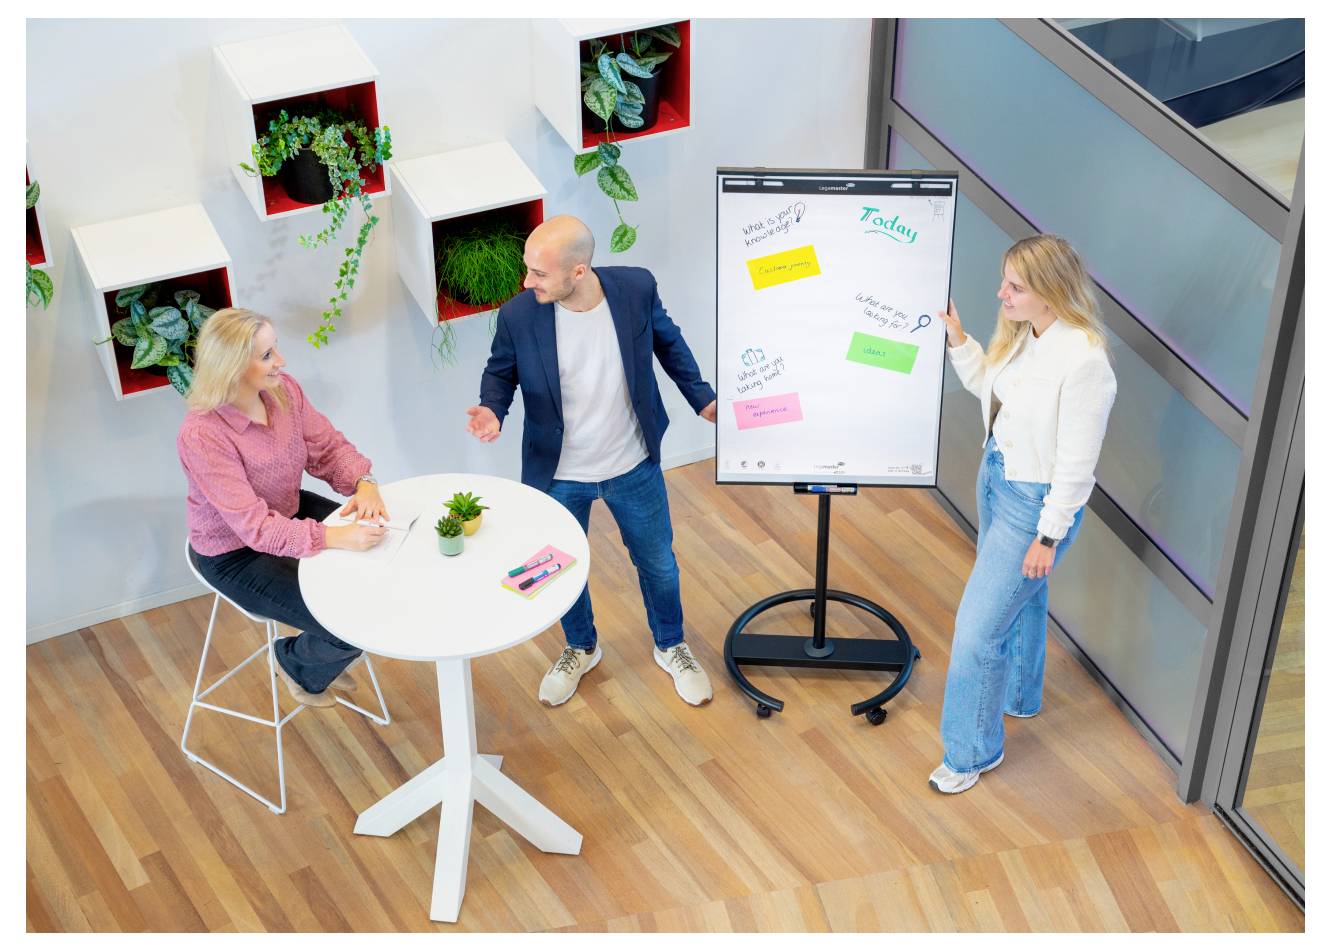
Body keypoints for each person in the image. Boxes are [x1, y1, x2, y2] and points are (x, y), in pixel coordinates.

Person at [465, 215, 719, 707]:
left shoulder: (636, 289)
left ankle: (671, 645)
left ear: (578, 271)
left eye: (539, 273)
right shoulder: (519, 315)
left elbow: (669, 344)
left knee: (659, 564)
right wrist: (492, 409)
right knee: (561, 569)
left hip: (633, 464)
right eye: (528, 269)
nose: (527, 282)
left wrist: (702, 398)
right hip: (559, 473)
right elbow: (500, 372)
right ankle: (581, 647)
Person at [932, 234, 1117, 794]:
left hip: (1034, 505)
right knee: (1024, 599)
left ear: (1050, 291)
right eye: (1004, 281)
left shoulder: (1084, 362)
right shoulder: (1024, 336)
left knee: (976, 631)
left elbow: (1077, 466)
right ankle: (1019, 697)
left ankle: (971, 753)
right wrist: (959, 340)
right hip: (997, 476)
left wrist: (1048, 536)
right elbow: (992, 391)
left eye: (1015, 286)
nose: (1001, 293)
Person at [178, 308, 389, 708]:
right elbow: (255, 528)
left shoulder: (283, 391)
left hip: (288, 512)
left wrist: (364, 483)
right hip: (234, 553)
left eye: (275, 348)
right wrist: (335, 537)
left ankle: (325, 656)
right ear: (233, 368)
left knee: (381, 567)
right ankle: (295, 663)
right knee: (349, 624)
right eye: (267, 355)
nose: (282, 361)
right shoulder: (202, 435)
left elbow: (328, 448)